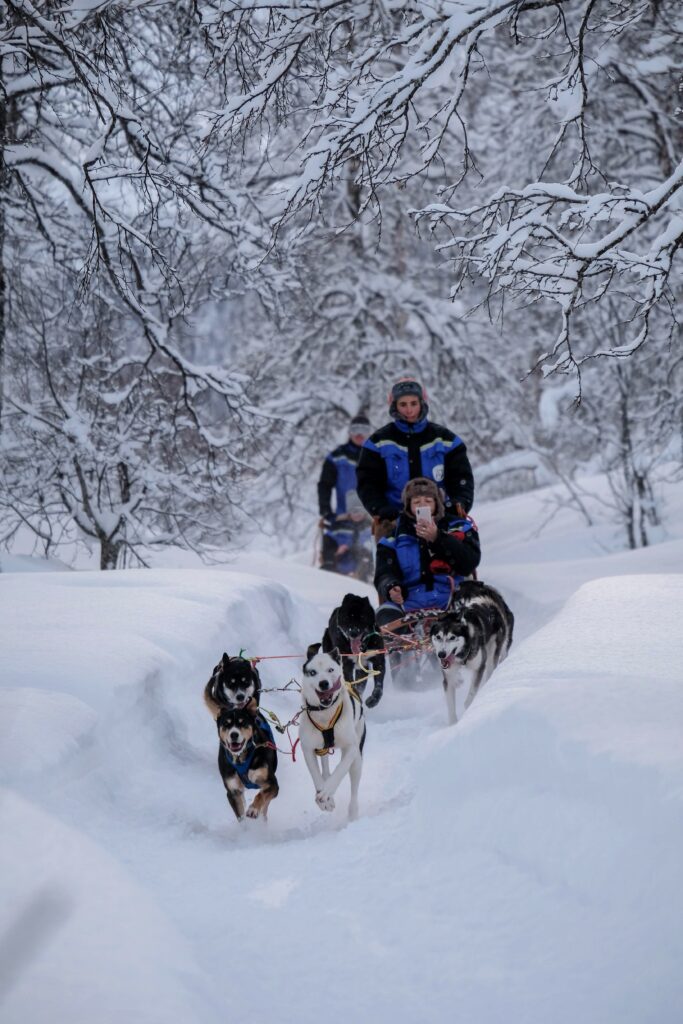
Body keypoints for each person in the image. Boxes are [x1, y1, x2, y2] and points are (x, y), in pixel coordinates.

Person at [374, 478, 480, 681]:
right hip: (408, 603)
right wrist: (391, 587)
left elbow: (469, 561)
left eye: (427, 501)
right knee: (384, 615)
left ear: (437, 503)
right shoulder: (392, 538)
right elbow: (384, 571)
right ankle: (403, 680)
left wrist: (437, 538)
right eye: (416, 502)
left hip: (450, 599)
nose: (422, 505)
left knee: (475, 611)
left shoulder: (457, 528)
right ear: (407, 507)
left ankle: (462, 669)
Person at [356, 378, 474, 525]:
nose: (409, 410)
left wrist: (458, 504)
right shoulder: (377, 443)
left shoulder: (447, 440)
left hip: (442, 518)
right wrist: (381, 509)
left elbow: (462, 479)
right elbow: (367, 483)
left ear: (422, 403)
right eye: (403, 404)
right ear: (394, 406)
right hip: (394, 520)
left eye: (413, 403)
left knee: (465, 545)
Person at [318, 414, 372, 574]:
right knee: (332, 541)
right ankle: (328, 573)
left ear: (369, 433)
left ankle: (368, 574)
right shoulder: (337, 457)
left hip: (370, 517)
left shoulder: (377, 456)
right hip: (343, 518)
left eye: (364, 430)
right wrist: (326, 511)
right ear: (349, 432)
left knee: (370, 548)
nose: (359, 434)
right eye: (355, 429)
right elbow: (324, 485)